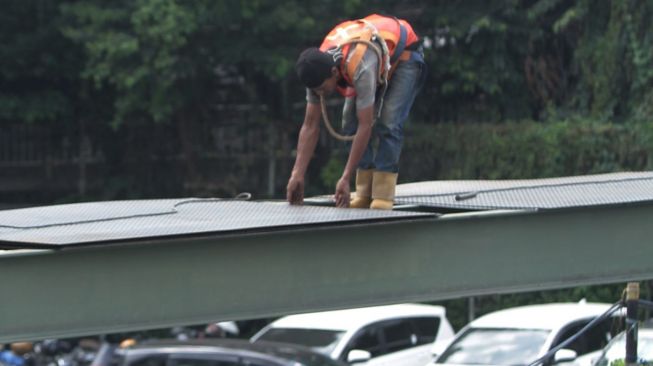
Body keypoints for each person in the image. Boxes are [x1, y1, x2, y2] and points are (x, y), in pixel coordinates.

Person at [287, 13, 425, 209]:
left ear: (334, 73)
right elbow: (310, 125)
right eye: (316, 91)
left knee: (388, 121)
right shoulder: (315, 67)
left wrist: (345, 178)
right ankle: (364, 190)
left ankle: (383, 193)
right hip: (373, 55)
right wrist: (297, 174)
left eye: (323, 89)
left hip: (405, 55)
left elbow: (366, 125)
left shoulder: (359, 65)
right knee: (348, 121)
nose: (321, 94)